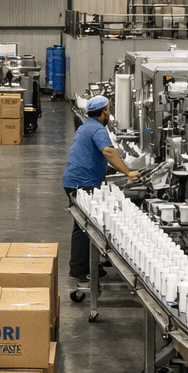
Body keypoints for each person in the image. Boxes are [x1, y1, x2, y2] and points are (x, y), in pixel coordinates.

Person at [62, 95, 139, 284]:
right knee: (84, 227)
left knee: (87, 225)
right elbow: (108, 151)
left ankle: (92, 265)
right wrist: (128, 172)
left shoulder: (87, 126)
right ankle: (79, 271)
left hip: (76, 180)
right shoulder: (98, 128)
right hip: (81, 183)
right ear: (104, 112)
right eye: (108, 109)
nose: (109, 113)